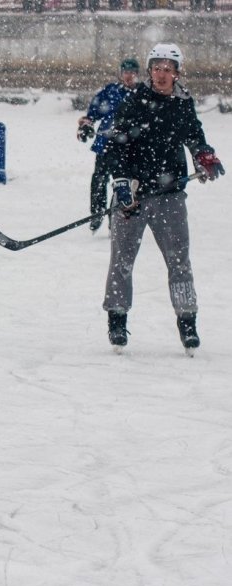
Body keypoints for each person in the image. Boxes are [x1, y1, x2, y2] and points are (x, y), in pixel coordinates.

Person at [103, 43, 224, 355]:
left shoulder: (183, 103)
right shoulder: (135, 101)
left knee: (179, 262)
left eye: (167, 68)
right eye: (156, 67)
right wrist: (121, 182)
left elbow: (193, 134)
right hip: (133, 195)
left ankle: (187, 322)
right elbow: (116, 144)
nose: (161, 73)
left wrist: (203, 155)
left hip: (170, 196)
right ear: (149, 70)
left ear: (177, 72)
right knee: (122, 261)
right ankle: (117, 319)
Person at [77, 58, 139, 233]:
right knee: (99, 179)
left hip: (129, 146)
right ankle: (96, 214)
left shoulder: (141, 94)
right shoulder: (110, 91)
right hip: (105, 144)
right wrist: (86, 125)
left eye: (132, 72)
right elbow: (93, 113)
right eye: (126, 72)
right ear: (120, 73)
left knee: (123, 182)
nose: (129, 76)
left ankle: (117, 217)